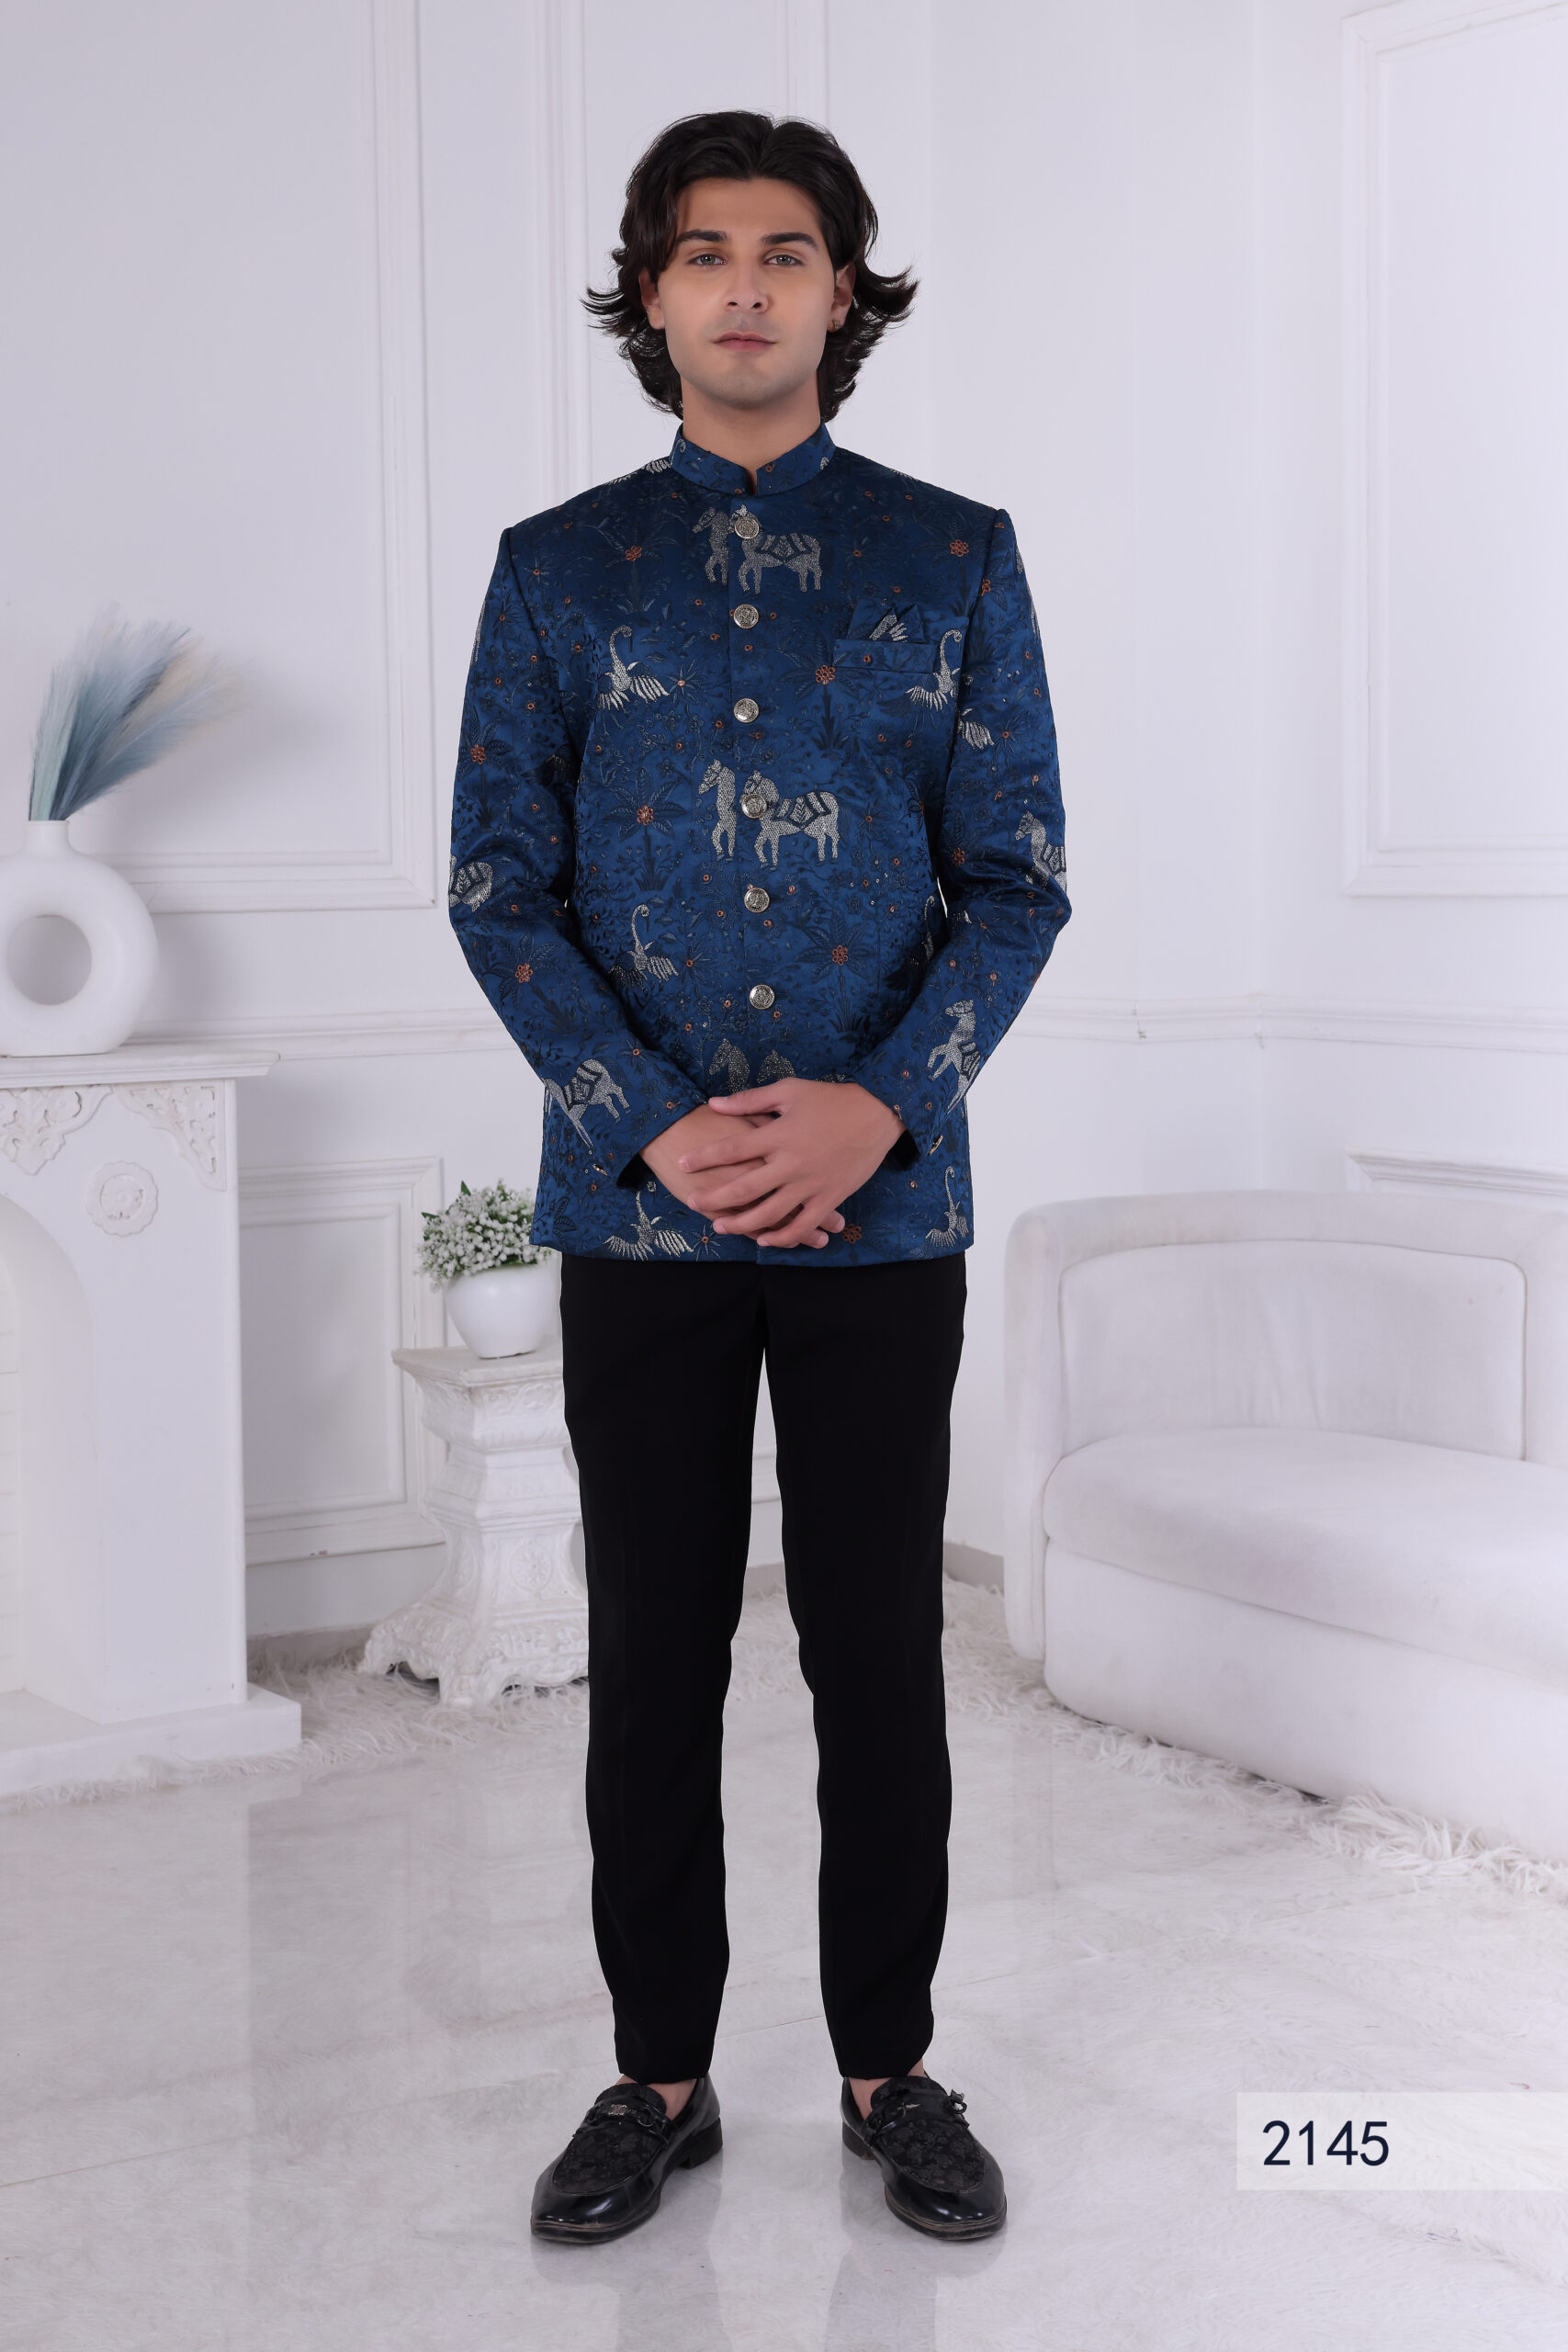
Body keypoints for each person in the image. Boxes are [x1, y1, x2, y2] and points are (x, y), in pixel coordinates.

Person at [448, 108, 1068, 2245]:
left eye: (782, 250)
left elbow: (1017, 885)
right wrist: (644, 1114)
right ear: (650, 296)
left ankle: (891, 2065)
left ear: (840, 290)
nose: (741, 285)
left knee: (877, 1644)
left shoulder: (953, 556)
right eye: (701, 252)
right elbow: (498, 888)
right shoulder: (555, 571)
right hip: (639, 1212)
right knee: (653, 1647)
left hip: (884, 1212)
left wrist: (876, 1108)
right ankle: (657, 2071)